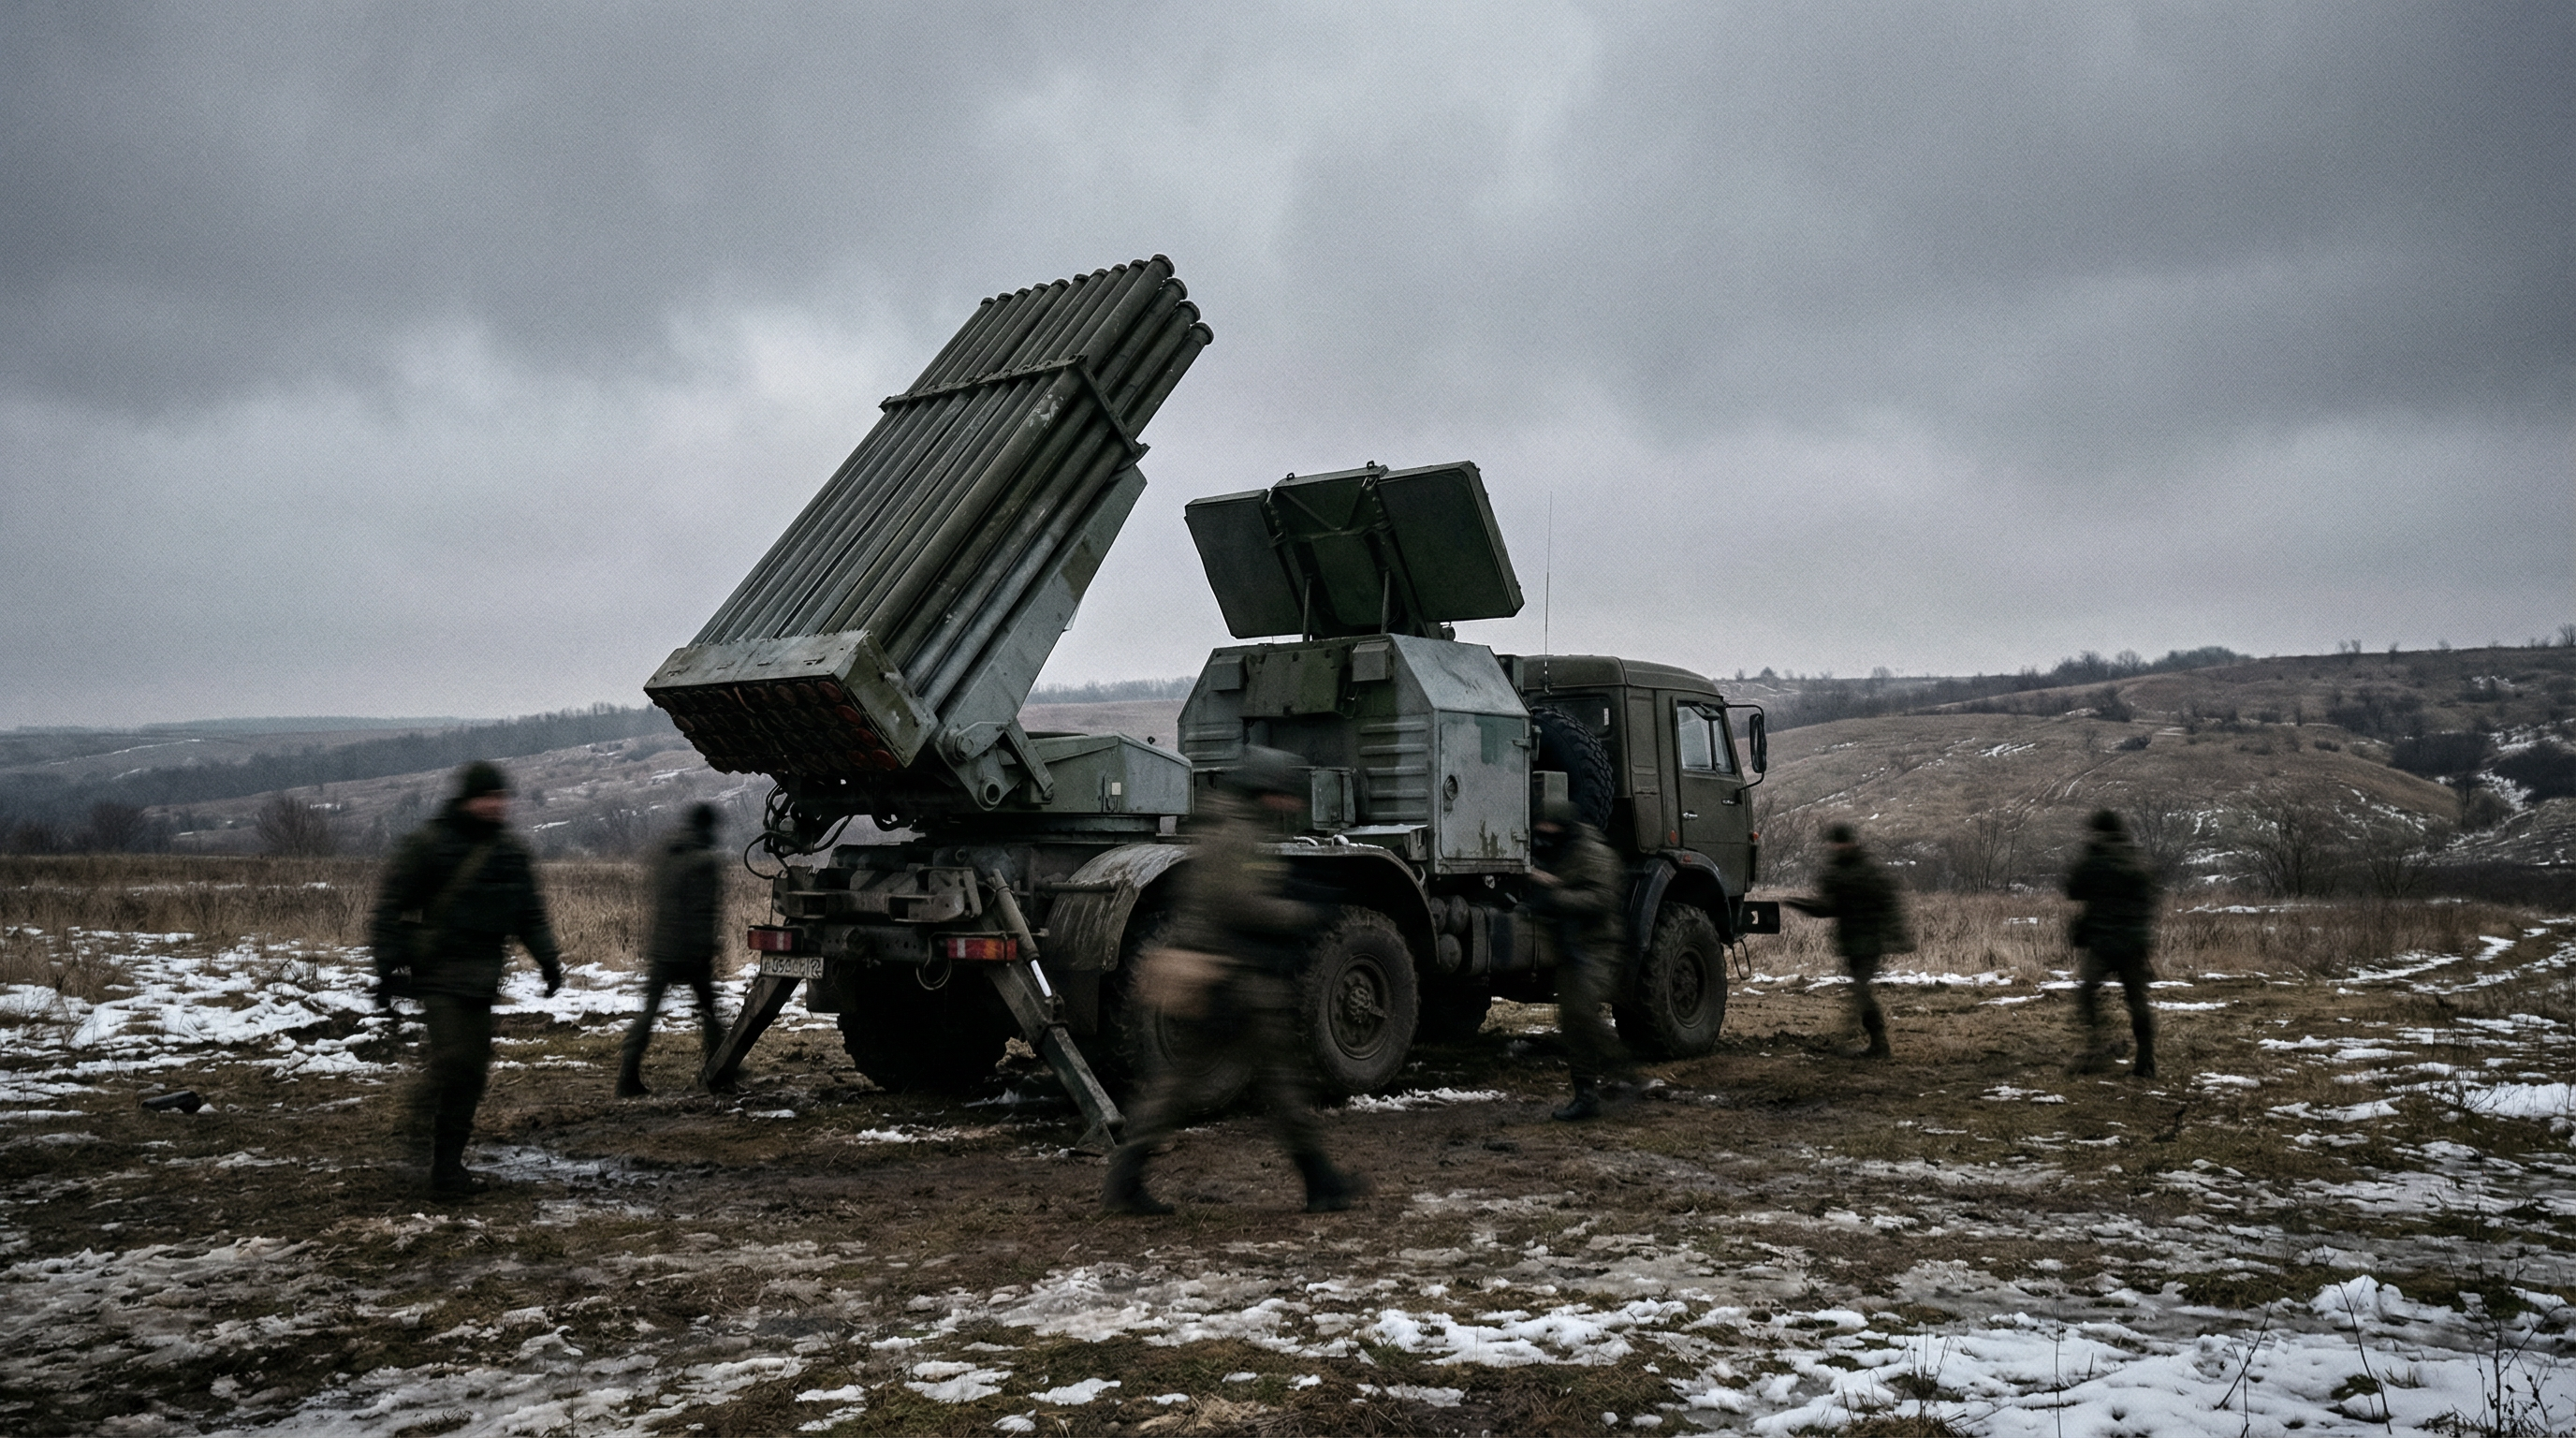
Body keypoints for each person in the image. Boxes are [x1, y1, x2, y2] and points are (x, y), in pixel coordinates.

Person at [1104, 746, 1366, 1216]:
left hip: (1227, 973)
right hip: (1232, 975)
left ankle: (1126, 1180)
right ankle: (1320, 1181)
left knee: (1196, 1084)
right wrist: (1302, 914)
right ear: (1267, 792)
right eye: (1285, 794)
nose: (1291, 804)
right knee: (1270, 1082)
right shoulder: (1236, 834)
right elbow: (1238, 902)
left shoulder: (1231, 826)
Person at [370, 760, 563, 1196]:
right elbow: (391, 909)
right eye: (487, 798)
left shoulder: (511, 853)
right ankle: (441, 1167)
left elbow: (529, 915)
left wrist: (549, 962)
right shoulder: (430, 845)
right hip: (438, 974)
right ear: (467, 800)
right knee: (456, 1065)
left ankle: (444, 1160)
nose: (496, 806)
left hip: (481, 977)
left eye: (501, 798)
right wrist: (387, 968)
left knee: (470, 1073)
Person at [1530, 797, 1635, 1120]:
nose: (1542, 831)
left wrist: (1556, 893)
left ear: (1563, 825)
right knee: (1573, 1022)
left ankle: (1626, 1075)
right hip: (1571, 946)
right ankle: (1586, 1094)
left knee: (1582, 1016)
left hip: (1597, 946)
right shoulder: (1558, 850)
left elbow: (1603, 898)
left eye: (1547, 825)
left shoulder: (1592, 852)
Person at [617, 802, 728, 1097]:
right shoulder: (704, 862)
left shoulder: (666, 852)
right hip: (691, 951)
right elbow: (704, 911)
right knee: (709, 1011)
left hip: (662, 947)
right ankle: (721, 1071)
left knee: (649, 1012)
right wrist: (708, 948)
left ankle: (627, 1076)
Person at [1784, 823, 1909, 1060]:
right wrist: (1797, 904)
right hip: (1850, 942)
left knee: (1861, 992)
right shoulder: (1836, 872)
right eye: (1835, 843)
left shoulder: (1867, 870)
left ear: (1851, 843)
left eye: (1841, 842)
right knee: (1859, 993)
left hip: (1870, 942)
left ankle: (1875, 1045)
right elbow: (1828, 908)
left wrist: (1898, 935)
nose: (1838, 847)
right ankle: (1871, 1045)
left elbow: (1889, 903)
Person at [2065, 808, 2159, 1078]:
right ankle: (2146, 1060)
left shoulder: (2098, 858)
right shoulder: (2136, 858)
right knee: (2137, 1001)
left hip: (2104, 940)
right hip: (2134, 940)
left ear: (2099, 830)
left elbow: (2074, 889)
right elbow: (2150, 897)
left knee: (2087, 993)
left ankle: (2097, 1044)